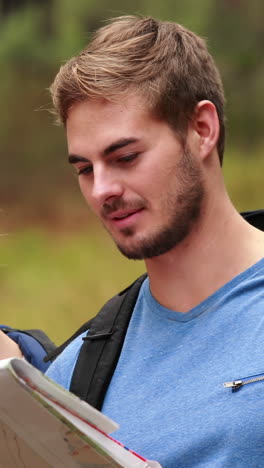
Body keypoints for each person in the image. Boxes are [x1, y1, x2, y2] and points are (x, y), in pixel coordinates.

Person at [3, 15, 264, 467]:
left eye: (125, 157)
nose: (102, 189)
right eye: (84, 169)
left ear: (202, 129)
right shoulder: (76, 378)